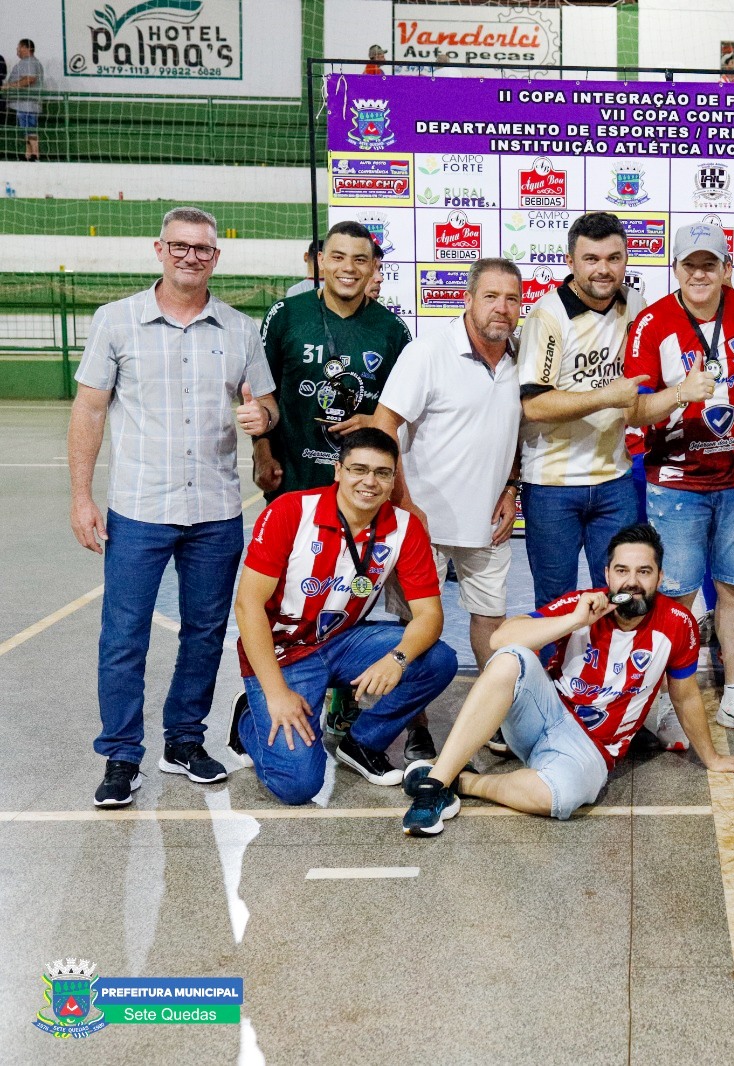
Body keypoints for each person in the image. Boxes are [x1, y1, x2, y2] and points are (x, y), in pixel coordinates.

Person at [69, 206, 279, 808]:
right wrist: (82, 496)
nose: (191, 256)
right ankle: (120, 755)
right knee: (124, 636)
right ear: (158, 250)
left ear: (217, 258)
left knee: (206, 632)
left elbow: (267, 408)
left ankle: (184, 741)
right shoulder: (117, 322)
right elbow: (87, 411)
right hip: (138, 509)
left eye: (203, 249)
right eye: (180, 246)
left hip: (214, 511)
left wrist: (260, 420)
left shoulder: (240, 330)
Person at [400, 525, 734, 834]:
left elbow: (684, 697)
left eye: (644, 572)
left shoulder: (677, 624)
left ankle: (464, 781)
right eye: (622, 571)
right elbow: (499, 640)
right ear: (607, 575)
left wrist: (712, 757)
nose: (632, 582)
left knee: (560, 799)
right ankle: (435, 784)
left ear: (660, 577)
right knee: (512, 658)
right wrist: (574, 622)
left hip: (592, 748)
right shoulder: (583, 605)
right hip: (543, 715)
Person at [228, 429, 457, 802]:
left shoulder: (404, 527)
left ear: (394, 478)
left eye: (383, 473)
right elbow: (247, 605)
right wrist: (276, 693)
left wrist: (396, 660)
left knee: (438, 659)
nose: (370, 481)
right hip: (283, 652)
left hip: (342, 641)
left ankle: (362, 743)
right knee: (298, 785)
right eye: (358, 469)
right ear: (338, 471)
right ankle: (247, 719)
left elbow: (429, 615)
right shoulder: (291, 511)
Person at [623, 222, 734, 737]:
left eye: (709, 264)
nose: (699, 274)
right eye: (689, 265)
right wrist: (678, 394)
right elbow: (634, 411)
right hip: (676, 482)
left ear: (726, 269)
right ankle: (663, 701)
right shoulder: (652, 323)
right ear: (676, 270)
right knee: (675, 597)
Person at [374, 258, 524, 759]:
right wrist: (403, 503)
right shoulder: (428, 352)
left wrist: (511, 486)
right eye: (491, 296)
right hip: (423, 523)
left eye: (511, 298)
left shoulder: (519, 357)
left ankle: (495, 715)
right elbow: (382, 424)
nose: (501, 308)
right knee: (417, 627)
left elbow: (516, 432)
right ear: (467, 299)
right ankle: (414, 727)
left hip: (488, 521)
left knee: (492, 623)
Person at [516, 212, 646, 606]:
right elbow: (535, 404)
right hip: (553, 484)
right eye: (591, 259)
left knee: (620, 596)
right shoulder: (548, 315)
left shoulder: (635, 303)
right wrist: (608, 395)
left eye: (614, 257)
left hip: (615, 478)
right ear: (570, 262)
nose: (604, 269)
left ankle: (607, 670)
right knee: (557, 601)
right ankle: (554, 671)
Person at [254, 221, 411, 501]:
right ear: (321, 261)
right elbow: (262, 395)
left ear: (374, 266)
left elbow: (407, 410)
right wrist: (262, 453)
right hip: (293, 484)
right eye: (338, 257)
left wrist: (377, 420)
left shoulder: (392, 330)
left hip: (364, 490)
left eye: (360, 259)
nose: (348, 268)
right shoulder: (285, 315)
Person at [0, 39, 43, 161]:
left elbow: (30, 79)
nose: (17, 51)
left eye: (18, 48)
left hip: (27, 103)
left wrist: (9, 86)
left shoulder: (29, 62)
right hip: (25, 103)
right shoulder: (31, 62)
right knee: (26, 129)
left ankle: (35, 154)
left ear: (26, 48)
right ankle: (29, 154)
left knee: (30, 128)